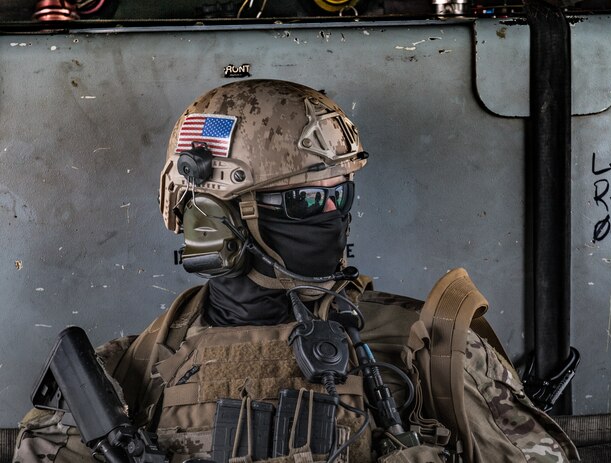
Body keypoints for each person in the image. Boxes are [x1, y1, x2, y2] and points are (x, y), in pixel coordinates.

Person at [13, 79, 577, 463]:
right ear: (214, 220)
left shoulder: (429, 352)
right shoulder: (117, 381)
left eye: (340, 197)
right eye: (307, 202)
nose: (333, 219)